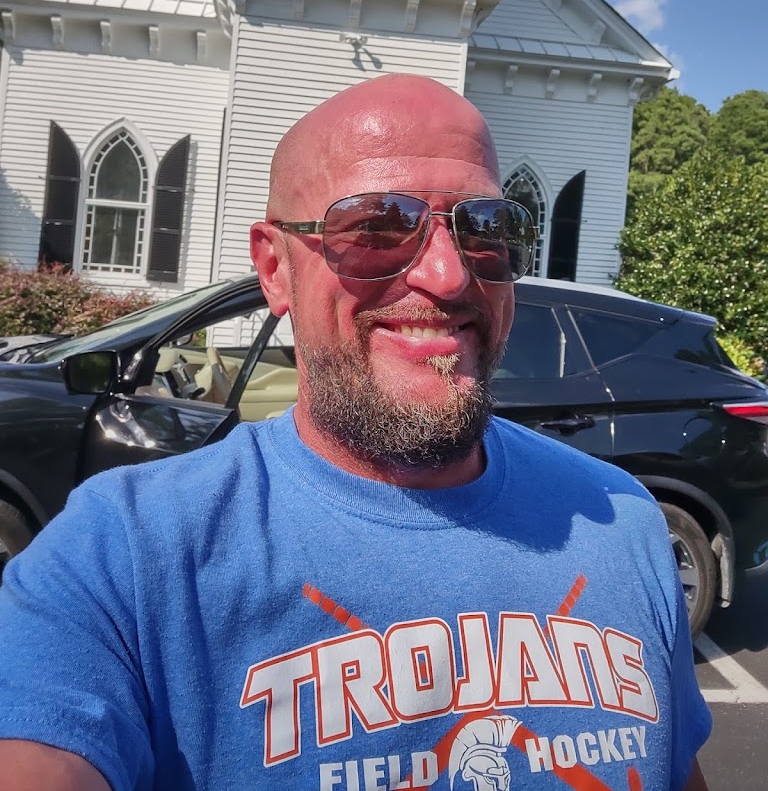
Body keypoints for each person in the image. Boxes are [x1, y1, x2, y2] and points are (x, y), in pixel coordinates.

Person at [0, 74, 710, 790]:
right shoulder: (123, 557)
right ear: (275, 269)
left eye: (486, 227)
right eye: (376, 227)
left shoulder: (624, 524)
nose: (448, 275)